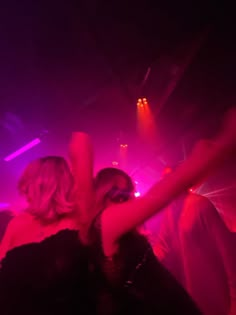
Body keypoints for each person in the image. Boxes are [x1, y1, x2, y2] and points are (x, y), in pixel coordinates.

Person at [71, 108, 236, 315]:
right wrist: (221, 145)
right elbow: (163, 193)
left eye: (129, 193)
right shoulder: (105, 222)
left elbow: (159, 251)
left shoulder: (111, 229)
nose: (129, 199)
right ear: (104, 195)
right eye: (121, 194)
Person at [0, 133, 95, 315]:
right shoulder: (18, 222)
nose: (23, 191)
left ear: (45, 186)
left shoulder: (77, 221)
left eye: (27, 185)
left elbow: (81, 143)